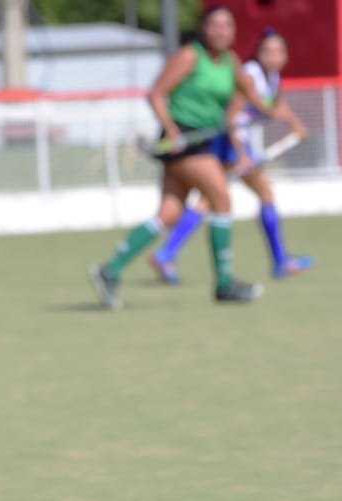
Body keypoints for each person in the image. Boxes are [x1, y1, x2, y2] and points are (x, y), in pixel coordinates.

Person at [87, 6, 288, 309]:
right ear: (204, 28)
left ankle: (110, 270)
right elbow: (155, 94)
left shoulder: (231, 62)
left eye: (227, 25)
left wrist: (269, 110)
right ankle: (224, 284)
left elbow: (249, 93)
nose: (220, 31)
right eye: (215, 25)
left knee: (168, 214)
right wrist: (171, 130)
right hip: (184, 141)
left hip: (203, 141)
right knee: (221, 200)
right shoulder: (190, 56)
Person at [148, 28, 312, 283]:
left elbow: (274, 106)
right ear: (258, 53)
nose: (274, 56)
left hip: (236, 145)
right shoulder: (250, 75)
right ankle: (280, 261)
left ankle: (166, 253)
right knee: (252, 195)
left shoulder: (272, 77)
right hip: (230, 143)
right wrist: (241, 153)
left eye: (279, 51)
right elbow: (231, 117)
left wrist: (295, 124)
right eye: (268, 51)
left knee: (210, 200)